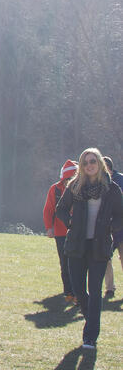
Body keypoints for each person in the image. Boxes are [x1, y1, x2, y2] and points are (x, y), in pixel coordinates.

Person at [56, 148, 123, 350]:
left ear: (100, 163)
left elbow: (121, 214)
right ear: (82, 166)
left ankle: (90, 337)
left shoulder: (111, 189)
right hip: (77, 245)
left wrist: (112, 227)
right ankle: (90, 320)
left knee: (95, 291)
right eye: (85, 163)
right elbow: (60, 209)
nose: (89, 165)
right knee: (78, 290)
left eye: (93, 161)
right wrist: (71, 224)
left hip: (99, 246)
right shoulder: (75, 186)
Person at [42, 160, 78, 303]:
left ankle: (78, 293)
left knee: (77, 263)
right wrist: (49, 228)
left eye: (72, 179)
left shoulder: (82, 188)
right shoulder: (55, 190)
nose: (69, 182)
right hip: (61, 233)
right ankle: (69, 292)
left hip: (77, 232)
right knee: (65, 263)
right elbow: (48, 210)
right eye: (67, 179)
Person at [103, 156, 123, 292]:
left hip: (120, 226)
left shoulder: (120, 180)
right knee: (105, 257)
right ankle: (110, 287)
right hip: (106, 227)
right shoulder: (98, 182)